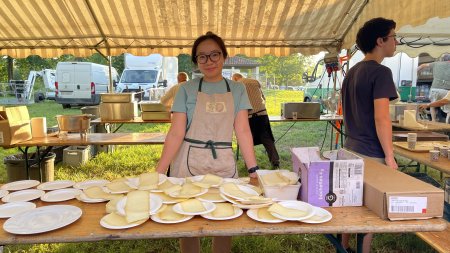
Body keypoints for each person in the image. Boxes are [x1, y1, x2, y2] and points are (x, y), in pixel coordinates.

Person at [155, 32, 259, 253]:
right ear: (195, 61)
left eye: (214, 55)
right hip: (186, 161)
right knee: (187, 220)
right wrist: (159, 171)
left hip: (223, 160)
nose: (209, 61)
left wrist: (253, 171)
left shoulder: (238, 89)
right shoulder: (186, 89)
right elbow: (176, 132)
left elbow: (242, 131)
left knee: (224, 219)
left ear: (224, 57)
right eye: (202, 57)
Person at [341, 17, 399, 253]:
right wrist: (390, 156)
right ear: (380, 40)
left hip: (349, 147)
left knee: (349, 202)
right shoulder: (381, 72)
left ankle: (343, 247)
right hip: (371, 153)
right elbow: (382, 118)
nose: (396, 42)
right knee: (371, 210)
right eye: (394, 37)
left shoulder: (352, 72)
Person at [232, 73, 280, 168]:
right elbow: (263, 97)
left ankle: (249, 165)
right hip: (262, 113)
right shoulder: (255, 81)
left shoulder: (237, 85)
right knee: (267, 138)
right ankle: (275, 161)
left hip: (248, 115)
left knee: (247, 139)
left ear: (236, 78)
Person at [417, 54, 450, 122]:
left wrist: (416, 72)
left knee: (432, 105)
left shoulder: (436, 63)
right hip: (447, 90)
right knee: (449, 110)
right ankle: (447, 124)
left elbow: (422, 65)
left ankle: (433, 120)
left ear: (442, 59)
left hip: (435, 89)